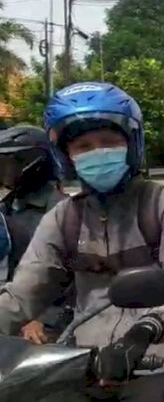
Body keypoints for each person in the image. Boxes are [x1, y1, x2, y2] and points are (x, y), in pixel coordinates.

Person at [0, 82, 164, 401]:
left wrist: (146, 330)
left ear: (131, 144)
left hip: (158, 356)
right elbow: (22, 294)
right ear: (66, 156)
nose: (97, 152)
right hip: (84, 361)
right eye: (83, 146)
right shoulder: (62, 218)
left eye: (109, 142)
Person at [0, 125, 70, 344]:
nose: (3, 171)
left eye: (7, 164)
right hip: (10, 314)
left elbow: (71, 279)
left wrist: (41, 318)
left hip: (51, 325)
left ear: (32, 163)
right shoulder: (8, 207)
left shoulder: (62, 211)